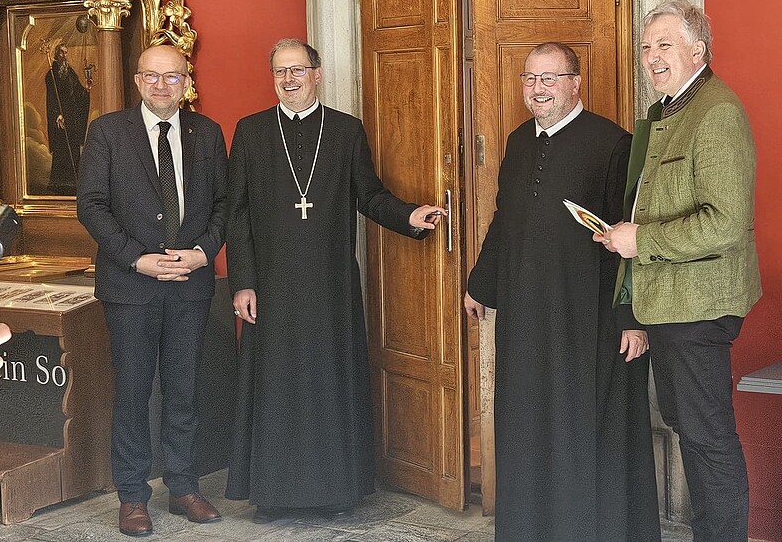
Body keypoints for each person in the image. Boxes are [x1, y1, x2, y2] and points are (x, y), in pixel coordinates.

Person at [224, 38, 446, 523]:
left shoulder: (345, 131)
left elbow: (369, 195)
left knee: (329, 384)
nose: (288, 79)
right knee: (277, 387)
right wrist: (242, 282)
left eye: (297, 70)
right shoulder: (252, 132)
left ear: (317, 73)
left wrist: (410, 214)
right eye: (280, 71)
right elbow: (236, 215)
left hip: (330, 287)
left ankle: (337, 490)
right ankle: (275, 495)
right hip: (273, 288)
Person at [463, 42, 660, 542]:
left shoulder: (613, 143)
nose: (537, 89)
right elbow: (505, 219)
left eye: (549, 79)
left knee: (583, 425)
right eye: (530, 79)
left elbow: (630, 235)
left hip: (587, 319)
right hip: (526, 313)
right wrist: (480, 284)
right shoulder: (517, 141)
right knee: (528, 423)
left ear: (576, 83)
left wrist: (632, 318)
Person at [600, 0, 761, 542]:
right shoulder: (665, 112)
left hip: (700, 305)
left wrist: (639, 239)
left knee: (707, 438)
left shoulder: (716, 111)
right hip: (668, 303)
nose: (651, 57)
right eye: (646, 47)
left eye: (664, 45)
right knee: (691, 432)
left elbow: (725, 224)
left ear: (699, 50)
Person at [77, 44, 227, 537]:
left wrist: (203, 253)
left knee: (184, 391)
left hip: (191, 283)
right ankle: (133, 496)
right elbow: (92, 205)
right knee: (134, 393)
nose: (163, 86)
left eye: (173, 77)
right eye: (153, 77)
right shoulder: (107, 131)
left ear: (187, 81)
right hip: (130, 286)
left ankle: (183, 487)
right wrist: (137, 259)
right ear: (138, 81)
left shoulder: (206, 133)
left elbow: (225, 204)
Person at [46, 43, 91, 195]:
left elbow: (78, 93)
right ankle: (58, 183)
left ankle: (74, 182)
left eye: (66, 53)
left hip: (72, 118)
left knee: (72, 148)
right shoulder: (51, 75)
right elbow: (52, 98)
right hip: (61, 119)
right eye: (61, 53)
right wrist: (57, 114)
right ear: (56, 54)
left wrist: (87, 89)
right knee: (61, 150)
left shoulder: (70, 72)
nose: (64, 56)